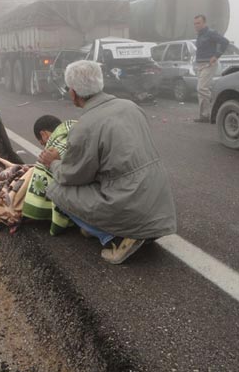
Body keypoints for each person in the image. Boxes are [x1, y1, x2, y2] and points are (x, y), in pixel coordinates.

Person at [38, 60, 177, 264]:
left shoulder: (85, 126)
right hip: (159, 201)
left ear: (73, 93)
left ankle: (114, 237)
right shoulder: (131, 107)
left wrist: (53, 163)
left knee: (56, 190)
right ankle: (118, 228)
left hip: (129, 203)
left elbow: (72, 176)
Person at [21, 115, 76, 235]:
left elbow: (47, 178)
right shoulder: (77, 131)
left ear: (44, 134)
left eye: (42, 143)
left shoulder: (54, 148)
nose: (44, 146)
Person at [193, 14, 230, 122]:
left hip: (209, 64)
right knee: (201, 92)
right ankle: (205, 116)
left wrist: (216, 56)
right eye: (194, 23)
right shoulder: (199, 34)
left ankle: (217, 109)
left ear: (204, 23)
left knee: (201, 88)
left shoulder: (210, 33)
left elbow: (225, 42)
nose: (196, 25)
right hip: (200, 65)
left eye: (198, 23)